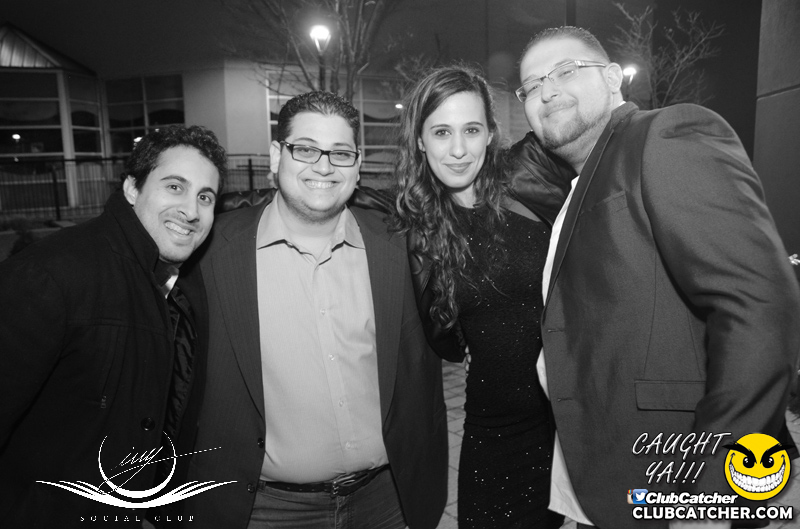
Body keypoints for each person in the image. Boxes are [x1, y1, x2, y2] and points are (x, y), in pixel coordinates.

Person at [511, 26, 800, 529]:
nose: (547, 91)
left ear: (611, 78)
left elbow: (757, 304)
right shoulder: (582, 181)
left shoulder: (664, 135)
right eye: (531, 86)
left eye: (565, 71)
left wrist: (715, 498)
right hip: (610, 476)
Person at [180, 91, 448, 529]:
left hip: (388, 501)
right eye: (305, 149)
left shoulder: (403, 246)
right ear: (276, 156)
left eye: (340, 153)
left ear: (357, 166)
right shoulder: (208, 253)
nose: (323, 166)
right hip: (264, 511)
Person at [0, 125, 227, 527]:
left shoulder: (178, 286)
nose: (192, 211)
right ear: (132, 189)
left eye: (204, 197)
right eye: (175, 187)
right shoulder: (50, 274)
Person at [392, 64, 568, 529]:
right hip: (494, 434)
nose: (458, 149)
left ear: (491, 134)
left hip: (570, 422)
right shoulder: (417, 228)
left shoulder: (533, 185)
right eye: (441, 132)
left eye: (471, 130)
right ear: (419, 140)